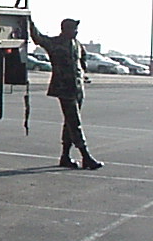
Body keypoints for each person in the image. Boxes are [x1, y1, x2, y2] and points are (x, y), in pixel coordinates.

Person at [29, 18, 104, 170]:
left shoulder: (77, 44)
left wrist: (83, 74)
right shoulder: (55, 43)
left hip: (77, 88)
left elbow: (82, 60)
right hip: (65, 88)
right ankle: (86, 156)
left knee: (69, 123)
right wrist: (29, 21)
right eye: (73, 29)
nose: (76, 32)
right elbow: (38, 37)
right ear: (65, 29)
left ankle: (65, 156)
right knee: (74, 123)